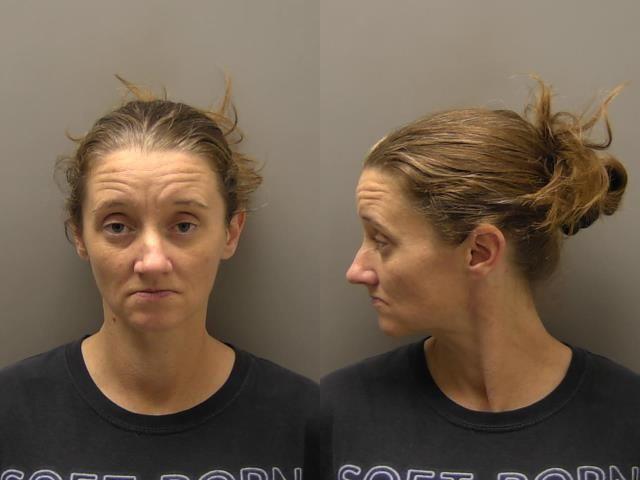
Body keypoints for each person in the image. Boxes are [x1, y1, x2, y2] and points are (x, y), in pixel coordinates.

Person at [320, 79, 640, 479]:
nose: (356, 270)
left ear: (481, 252)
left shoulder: (627, 419)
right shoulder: (336, 412)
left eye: (381, 240)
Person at [0, 77, 317, 479]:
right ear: (80, 236)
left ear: (231, 232)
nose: (151, 262)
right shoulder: (10, 412)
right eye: (118, 226)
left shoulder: (307, 420)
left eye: (183, 225)